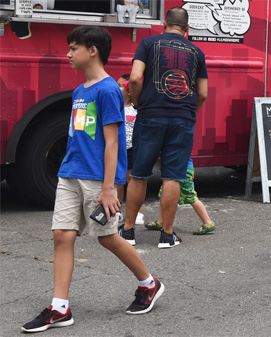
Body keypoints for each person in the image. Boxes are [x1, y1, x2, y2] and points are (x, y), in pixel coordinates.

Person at [21, 26, 164, 333]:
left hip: (97, 179)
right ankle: (59, 307)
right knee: (62, 235)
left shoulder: (108, 90)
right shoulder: (80, 90)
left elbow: (113, 142)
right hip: (70, 173)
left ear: (92, 50)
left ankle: (149, 284)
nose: (69, 54)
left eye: (74, 48)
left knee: (107, 237)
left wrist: (111, 188)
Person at [119, 7, 208, 248]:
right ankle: (167, 235)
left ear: (164, 24)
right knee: (173, 176)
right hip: (183, 118)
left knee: (139, 173)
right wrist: (189, 112)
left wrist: (138, 102)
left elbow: (135, 78)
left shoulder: (148, 43)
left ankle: (127, 232)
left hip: (150, 116)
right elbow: (202, 93)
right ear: (187, 29)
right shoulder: (197, 52)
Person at [144, 158, 215, 237]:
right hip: (177, 169)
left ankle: (208, 222)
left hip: (182, 170)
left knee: (190, 196)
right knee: (163, 193)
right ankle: (161, 221)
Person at [115, 74, 145, 232]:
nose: (117, 88)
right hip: (119, 148)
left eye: (120, 85)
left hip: (133, 149)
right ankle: (118, 210)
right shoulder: (116, 107)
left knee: (132, 180)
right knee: (119, 181)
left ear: (128, 90)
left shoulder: (136, 108)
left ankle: (138, 212)